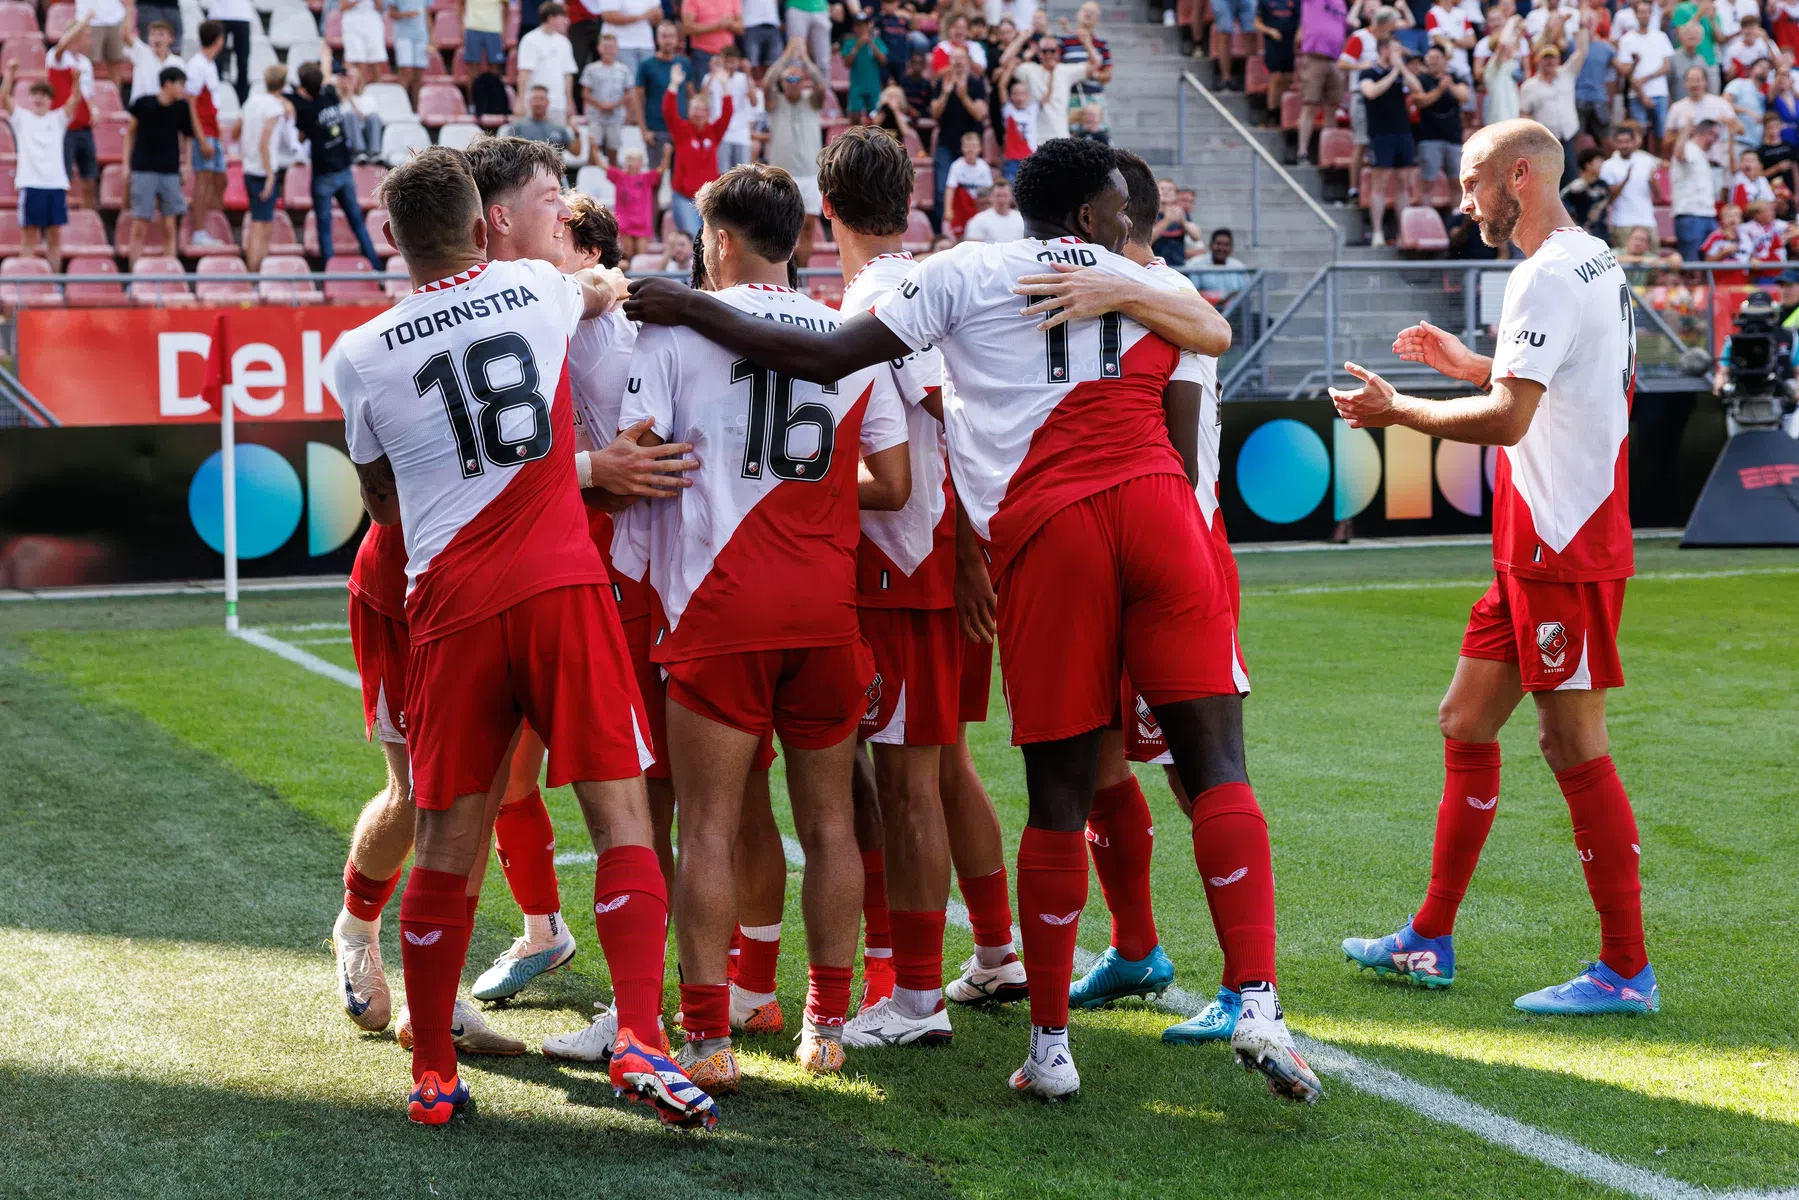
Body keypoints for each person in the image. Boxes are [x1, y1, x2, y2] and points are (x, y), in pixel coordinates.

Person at [621, 139, 1319, 1105]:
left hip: (1051, 525)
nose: (1126, 224)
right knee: (1216, 765)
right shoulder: (1134, 273)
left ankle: (1049, 1048)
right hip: (1164, 512)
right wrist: (1123, 290)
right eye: (1117, 208)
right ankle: (1256, 997)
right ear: (1085, 217)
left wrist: (690, 304)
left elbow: (825, 353)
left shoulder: (960, 270)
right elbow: (1208, 330)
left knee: (1057, 789)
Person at [329, 145, 717, 1131]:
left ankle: (429, 1069)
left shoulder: (358, 353)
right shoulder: (533, 292)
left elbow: (380, 500)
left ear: (392, 240)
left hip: (450, 605)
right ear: (476, 228)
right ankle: (639, 1037)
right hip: (558, 584)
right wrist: (600, 281)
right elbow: (598, 284)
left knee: (448, 835)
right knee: (620, 816)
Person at [1333, 118, 1657, 1020]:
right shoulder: (1589, 258)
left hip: (1563, 543)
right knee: (1463, 721)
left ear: (1520, 176)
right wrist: (1466, 363)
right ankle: (1427, 940)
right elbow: (1559, 385)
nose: (1460, 197)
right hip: (1535, 544)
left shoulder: (1545, 272)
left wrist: (1398, 409)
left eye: (1473, 180)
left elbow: (1510, 422)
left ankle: (1624, 969)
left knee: (1570, 743)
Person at [618, 161, 912, 1083]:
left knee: (704, 827)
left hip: (719, 608)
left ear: (718, 240)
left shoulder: (671, 331)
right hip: (827, 608)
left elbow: (633, 464)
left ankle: (705, 1037)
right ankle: (825, 1024)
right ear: (800, 241)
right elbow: (895, 484)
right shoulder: (849, 333)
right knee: (829, 825)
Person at [292, 52, 383, 268]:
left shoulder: (306, 110)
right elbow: (326, 77)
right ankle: (377, 268)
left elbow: (300, 137)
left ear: (303, 88)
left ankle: (328, 273)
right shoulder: (331, 95)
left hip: (324, 175)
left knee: (324, 228)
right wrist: (324, 52)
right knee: (357, 223)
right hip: (343, 171)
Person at [2, 60, 83, 273]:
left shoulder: (57, 120)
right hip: (31, 184)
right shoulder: (22, 118)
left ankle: (54, 284)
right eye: (36, 94)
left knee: (54, 237)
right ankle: (27, 283)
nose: (39, 98)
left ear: (51, 100)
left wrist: (76, 79)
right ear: (30, 98)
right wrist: (9, 74)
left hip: (55, 185)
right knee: (29, 237)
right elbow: (4, 99)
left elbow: (74, 100)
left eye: (44, 95)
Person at [122, 65, 199, 263]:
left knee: (170, 225)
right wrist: (126, 164)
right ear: (168, 84)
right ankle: (133, 276)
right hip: (143, 169)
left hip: (170, 171)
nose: (183, 89)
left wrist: (188, 165)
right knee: (140, 224)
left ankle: (170, 271)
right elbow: (130, 134)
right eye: (180, 84)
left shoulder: (182, 108)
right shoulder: (143, 104)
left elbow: (188, 137)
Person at [763, 39, 826, 267]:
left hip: (809, 174)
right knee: (780, 227)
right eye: (788, 79)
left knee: (807, 227)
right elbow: (767, 83)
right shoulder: (775, 102)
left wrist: (805, 60)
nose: (792, 83)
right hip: (782, 174)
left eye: (796, 78)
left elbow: (821, 86)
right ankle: (783, 274)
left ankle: (804, 274)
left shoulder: (812, 101)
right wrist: (786, 57)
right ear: (783, 82)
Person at [1359, 37, 1421, 249]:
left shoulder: (1401, 72)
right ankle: (1377, 232)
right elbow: (1371, 92)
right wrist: (1394, 73)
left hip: (1403, 133)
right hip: (1380, 134)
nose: (1400, 52)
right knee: (1380, 184)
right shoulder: (1368, 72)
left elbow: (1417, 87)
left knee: (1403, 183)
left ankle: (1403, 232)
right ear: (1384, 50)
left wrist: (1401, 68)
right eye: (1395, 49)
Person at [661, 61, 732, 236]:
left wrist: (724, 86)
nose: (698, 113)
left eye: (702, 109)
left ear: (708, 113)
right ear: (689, 111)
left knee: (711, 243)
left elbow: (727, 114)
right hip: (685, 198)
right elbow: (668, 111)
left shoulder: (713, 132)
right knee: (694, 238)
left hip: (709, 200)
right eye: (695, 109)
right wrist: (674, 85)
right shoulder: (681, 131)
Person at [239, 64, 293, 273]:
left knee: (261, 225)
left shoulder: (252, 102)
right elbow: (264, 142)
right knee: (260, 228)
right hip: (263, 171)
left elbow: (236, 131)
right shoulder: (273, 108)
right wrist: (271, 176)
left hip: (250, 168)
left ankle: (255, 273)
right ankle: (254, 275)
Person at [929, 48, 988, 233]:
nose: (958, 63)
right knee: (941, 191)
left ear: (968, 62)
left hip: (971, 145)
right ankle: (942, 234)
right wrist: (946, 94)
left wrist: (963, 97)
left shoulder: (976, 83)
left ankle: (977, 231)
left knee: (977, 194)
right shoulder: (942, 82)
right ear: (950, 62)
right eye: (955, 59)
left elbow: (980, 114)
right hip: (946, 142)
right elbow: (934, 113)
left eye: (962, 59)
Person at [46, 16, 97, 213]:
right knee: (63, 176)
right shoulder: (56, 58)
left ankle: (88, 218)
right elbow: (61, 46)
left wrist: (94, 110)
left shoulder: (85, 63)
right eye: (87, 35)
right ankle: (59, 217)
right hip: (64, 128)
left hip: (84, 127)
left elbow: (88, 94)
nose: (90, 40)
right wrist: (84, 21)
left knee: (89, 178)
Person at [185, 21, 229, 248]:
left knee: (220, 180)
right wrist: (200, 137)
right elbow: (191, 102)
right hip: (204, 131)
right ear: (219, 40)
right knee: (202, 182)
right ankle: (198, 230)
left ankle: (207, 224)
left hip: (213, 129)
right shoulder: (197, 66)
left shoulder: (208, 65)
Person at [1518, 38, 1584, 182]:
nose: (1549, 62)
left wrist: (1583, 26)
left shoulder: (1567, 75)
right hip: (1546, 141)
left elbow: (1582, 51)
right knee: (1550, 180)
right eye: (1545, 58)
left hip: (1568, 136)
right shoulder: (1529, 86)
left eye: (1552, 58)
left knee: (1572, 179)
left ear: (1558, 60)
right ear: (1538, 60)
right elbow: (1523, 113)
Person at [1295, 0, 1349, 166]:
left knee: (1331, 109)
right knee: (1309, 106)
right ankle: (1302, 152)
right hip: (1314, 57)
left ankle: (1326, 153)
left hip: (1336, 60)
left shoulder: (1342, 4)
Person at [1616, 0, 1675, 148]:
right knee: (1638, 135)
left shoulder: (1660, 36)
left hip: (1659, 92)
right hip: (1636, 94)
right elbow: (1626, 71)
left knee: (1661, 133)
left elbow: (1667, 66)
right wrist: (1642, 93)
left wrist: (1646, 78)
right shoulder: (1627, 39)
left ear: (1651, 14)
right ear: (1635, 14)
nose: (1644, 15)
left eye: (1647, 12)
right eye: (1641, 12)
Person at [1413, 44, 1470, 192]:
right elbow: (1420, 101)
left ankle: (1456, 214)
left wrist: (1449, 85)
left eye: (1436, 58)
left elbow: (1465, 96)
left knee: (1457, 182)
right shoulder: (1421, 79)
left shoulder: (1455, 78)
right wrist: (1439, 90)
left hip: (1453, 136)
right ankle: (1425, 213)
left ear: (1445, 60)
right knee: (1427, 183)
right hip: (1429, 136)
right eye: (1430, 58)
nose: (1433, 61)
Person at [1600, 120, 1661, 249]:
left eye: (1627, 141)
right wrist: (1625, 181)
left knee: (1654, 263)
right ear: (1615, 143)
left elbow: (1658, 196)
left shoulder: (1647, 161)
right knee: (1624, 265)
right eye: (1620, 142)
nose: (1624, 145)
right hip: (1622, 222)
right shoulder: (1608, 166)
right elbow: (1609, 199)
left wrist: (1653, 182)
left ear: (1634, 142)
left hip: (1647, 220)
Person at [635, 20, 690, 163]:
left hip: (680, 130)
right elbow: (638, 100)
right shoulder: (646, 65)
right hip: (656, 130)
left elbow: (691, 96)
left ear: (677, 39)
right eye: (664, 36)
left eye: (671, 36)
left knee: (679, 180)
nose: (668, 40)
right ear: (656, 39)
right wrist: (644, 130)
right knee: (655, 180)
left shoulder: (684, 63)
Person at [1670, 118, 1723, 261]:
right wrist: (1685, 132)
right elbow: (1679, 155)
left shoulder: (1702, 155)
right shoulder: (1688, 148)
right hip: (1690, 215)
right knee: (1691, 263)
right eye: (1715, 136)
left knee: (1712, 260)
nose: (1715, 141)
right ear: (1705, 133)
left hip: (1708, 215)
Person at [520, 3, 581, 121]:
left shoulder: (564, 42)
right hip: (534, 104)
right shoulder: (530, 39)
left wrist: (569, 102)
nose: (566, 21)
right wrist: (521, 101)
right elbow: (524, 72)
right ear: (551, 18)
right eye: (563, 17)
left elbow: (568, 75)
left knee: (557, 140)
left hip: (559, 104)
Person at [582, 33, 636, 162]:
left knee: (613, 149)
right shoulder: (591, 69)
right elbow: (585, 93)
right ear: (599, 48)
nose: (608, 50)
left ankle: (612, 178)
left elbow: (629, 93)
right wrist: (600, 105)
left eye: (611, 47)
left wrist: (615, 106)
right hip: (596, 116)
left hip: (615, 116)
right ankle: (590, 177)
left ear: (617, 49)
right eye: (605, 47)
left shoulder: (624, 70)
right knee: (594, 148)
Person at [705, 44, 757, 172]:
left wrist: (748, 74)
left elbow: (754, 102)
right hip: (721, 133)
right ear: (721, 61)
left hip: (741, 133)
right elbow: (703, 99)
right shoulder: (711, 77)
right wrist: (712, 73)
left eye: (733, 62)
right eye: (726, 62)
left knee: (743, 175)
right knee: (723, 175)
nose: (729, 66)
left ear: (738, 62)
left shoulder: (743, 78)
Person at [507, 83, 588, 158]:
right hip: (526, 170)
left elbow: (576, 152)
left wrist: (576, 132)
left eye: (541, 99)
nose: (538, 103)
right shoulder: (518, 126)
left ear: (548, 102)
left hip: (553, 171)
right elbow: (508, 153)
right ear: (529, 102)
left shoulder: (558, 127)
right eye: (535, 99)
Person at [608, 145, 660, 258]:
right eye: (628, 159)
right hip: (625, 224)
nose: (630, 163)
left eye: (633, 159)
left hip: (642, 224)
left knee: (642, 258)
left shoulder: (646, 178)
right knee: (627, 255)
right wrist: (593, 147)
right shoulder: (619, 177)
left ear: (640, 163)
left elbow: (662, 169)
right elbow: (602, 165)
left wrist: (667, 154)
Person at [1256, 0, 1302, 126]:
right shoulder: (1264, 2)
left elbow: (1302, 19)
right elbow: (1257, 22)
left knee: (1288, 77)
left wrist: (1299, 32)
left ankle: (1282, 112)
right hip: (1273, 43)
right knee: (1276, 77)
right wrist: (1269, 31)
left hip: (1289, 43)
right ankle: (1271, 112)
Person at [1561, 145, 1614, 239]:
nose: (1601, 164)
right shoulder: (1575, 187)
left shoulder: (1603, 185)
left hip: (1602, 233)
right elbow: (1561, 202)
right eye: (1598, 161)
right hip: (1581, 235)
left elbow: (1608, 207)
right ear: (1588, 165)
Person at [843, 13, 887, 122]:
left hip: (873, 87)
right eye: (858, 26)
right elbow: (847, 63)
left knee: (875, 119)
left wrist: (871, 43)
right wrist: (857, 47)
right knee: (855, 117)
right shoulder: (849, 43)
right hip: (857, 86)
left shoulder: (876, 41)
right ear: (854, 27)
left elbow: (883, 60)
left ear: (868, 26)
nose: (861, 29)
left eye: (863, 26)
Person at [124, 19, 180, 105]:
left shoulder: (178, 62)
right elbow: (125, 35)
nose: (156, 38)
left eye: (161, 34)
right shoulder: (141, 52)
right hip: (141, 109)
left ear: (171, 39)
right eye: (153, 34)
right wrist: (128, 7)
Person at [206, 0, 254, 102]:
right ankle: (214, 98)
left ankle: (242, 102)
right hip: (219, 14)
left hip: (242, 15)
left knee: (243, 61)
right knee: (216, 61)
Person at [73, 0, 127, 88]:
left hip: (115, 18)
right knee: (87, 65)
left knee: (115, 64)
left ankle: (115, 100)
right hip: (89, 19)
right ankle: (85, 98)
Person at [682, 0, 741, 80]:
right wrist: (717, 26)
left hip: (728, 56)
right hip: (703, 55)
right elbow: (687, 28)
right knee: (703, 90)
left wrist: (729, 24)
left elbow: (741, 28)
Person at [600, 0, 661, 77]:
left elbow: (657, 18)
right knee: (628, 84)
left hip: (646, 45)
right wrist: (642, 16)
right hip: (621, 45)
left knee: (649, 83)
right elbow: (608, 16)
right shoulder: (644, 16)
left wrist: (657, 16)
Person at [389, 0, 431, 106]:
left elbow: (428, 15)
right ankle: (400, 106)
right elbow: (391, 14)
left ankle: (416, 109)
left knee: (419, 75)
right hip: (403, 36)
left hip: (421, 36)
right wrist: (406, 14)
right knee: (405, 71)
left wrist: (432, 39)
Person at [1192, 228, 1250, 296]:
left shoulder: (1239, 267)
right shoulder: (1196, 265)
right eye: (1218, 244)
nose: (1221, 248)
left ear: (1231, 248)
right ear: (1210, 245)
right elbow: (1194, 293)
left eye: (1226, 245)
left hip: (1234, 306)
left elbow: (1246, 293)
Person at [464, 0, 509, 79]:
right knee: (473, 68)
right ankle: (474, 91)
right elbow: (460, 4)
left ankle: (493, 90)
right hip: (473, 27)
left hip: (494, 29)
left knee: (495, 66)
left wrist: (504, 29)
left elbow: (506, 7)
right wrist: (461, 26)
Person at [785, 0, 833, 70]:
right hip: (796, 7)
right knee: (795, 58)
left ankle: (824, 81)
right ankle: (794, 80)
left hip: (821, 8)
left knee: (824, 62)